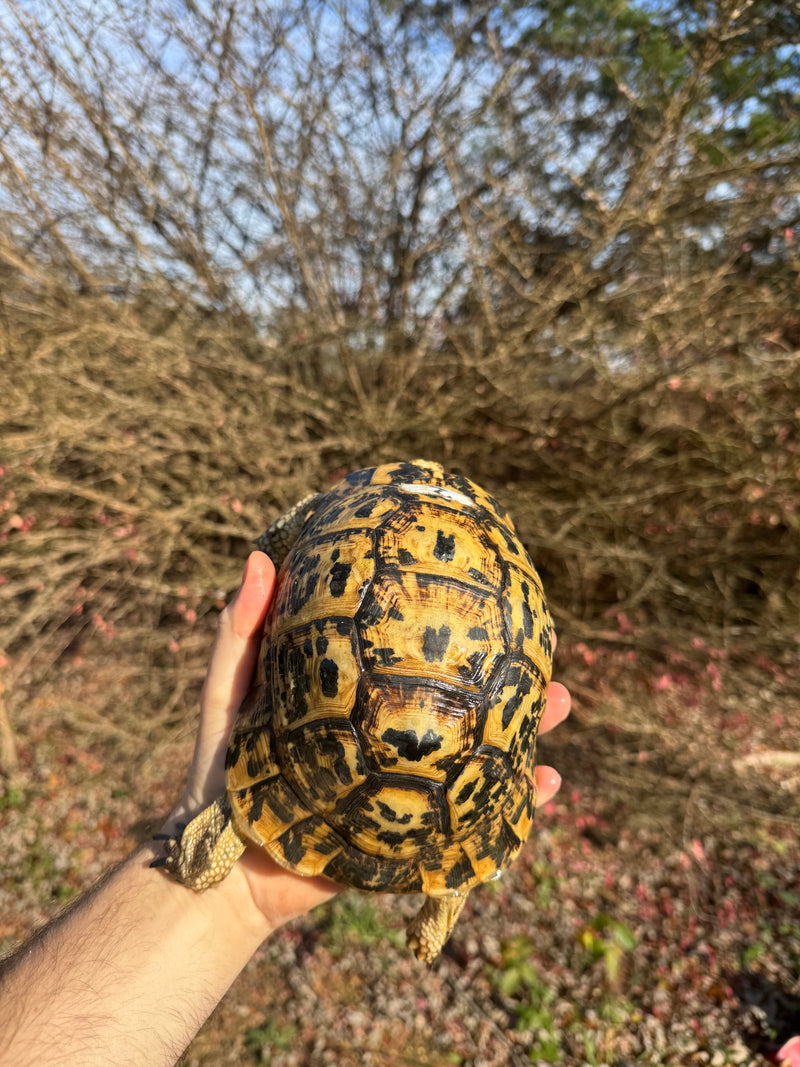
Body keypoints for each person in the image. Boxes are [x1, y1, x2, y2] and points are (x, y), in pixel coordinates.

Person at [0, 551, 571, 1067]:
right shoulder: (511, 562)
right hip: (455, 808)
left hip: (309, 767)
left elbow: (284, 543)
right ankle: (448, 883)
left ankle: (237, 841)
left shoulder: (346, 516)